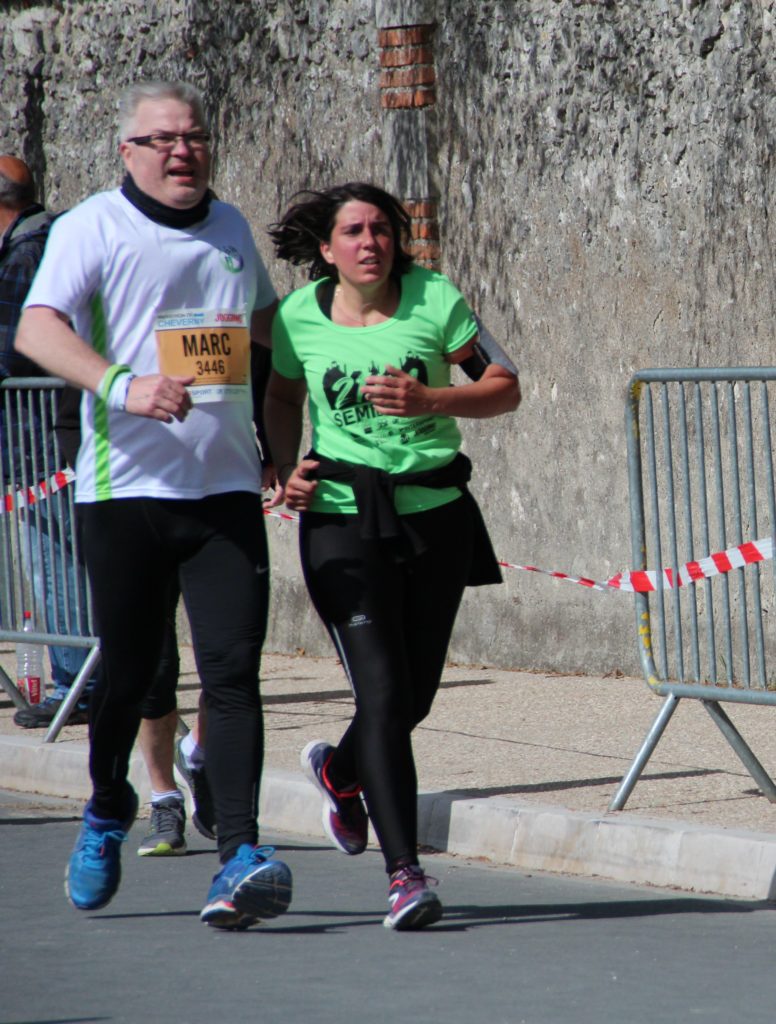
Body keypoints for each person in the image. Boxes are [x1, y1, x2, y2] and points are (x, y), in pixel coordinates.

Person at [15, 80, 291, 929]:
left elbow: (271, 334)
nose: (182, 151)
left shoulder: (231, 226)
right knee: (131, 676)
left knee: (234, 674)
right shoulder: (91, 225)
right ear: (127, 151)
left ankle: (238, 853)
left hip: (224, 492)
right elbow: (37, 329)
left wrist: (286, 439)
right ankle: (107, 807)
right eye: (163, 139)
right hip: (126, 491)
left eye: (195, 136)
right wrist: (123, 386)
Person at [265, 182, 520, 930]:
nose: (370, 242)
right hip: (342, 520)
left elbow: (505, 387)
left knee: (414, 700)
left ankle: (340, 771)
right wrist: (280, 470)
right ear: (326, 248)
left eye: (381, 229)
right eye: (353, 231)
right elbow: (281, 398)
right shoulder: (298, 316)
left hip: (435, 517)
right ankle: (405, 874)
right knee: (381, 696)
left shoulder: (438, 300)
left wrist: (431, 401)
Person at [0, 155, 95, 727]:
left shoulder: (24, 255)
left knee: (54, 562)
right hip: (47, 434)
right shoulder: (54, 239)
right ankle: (79, 679)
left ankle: (77, 684)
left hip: (39, 441)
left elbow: (11, 349)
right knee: (57, 560)